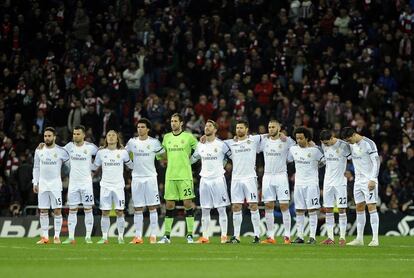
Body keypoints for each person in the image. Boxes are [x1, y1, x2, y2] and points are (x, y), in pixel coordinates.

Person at [157, 113, 198, 244]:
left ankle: (190, 234)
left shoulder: (188, 137)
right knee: (169, 205)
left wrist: (189, 161)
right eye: (171, 121)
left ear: (181, 123)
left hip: (185, 175)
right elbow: (162, 155)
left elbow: (199, 151)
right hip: (170, 176)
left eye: (175, 121)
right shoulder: (166, 137)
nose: (173, 123)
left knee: (187, 203)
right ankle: (167, 236)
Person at [190, 120, 231, 244]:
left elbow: (231, 156)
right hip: (204, 179)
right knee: (205, 209)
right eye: (206, 126)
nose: (207, 128)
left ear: (215, 130)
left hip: (218, 178)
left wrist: (223, 166)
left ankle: (224, 236)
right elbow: (193, 159)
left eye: (210, 126)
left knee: (221, 208)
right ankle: (205, 237)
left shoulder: (221, 144)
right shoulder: (200, 144)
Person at [126, 118, 165, 244]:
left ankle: (153, 235)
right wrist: (131, 165)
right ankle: (138, 236)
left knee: (152, 207)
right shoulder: (132, 142)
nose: (140, 129)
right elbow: (123, 154)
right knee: (138, 208)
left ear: (148, 129)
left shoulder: (154, 142)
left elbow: (164, 156)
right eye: (138, 127)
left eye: (142, 127)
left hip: (150, 177)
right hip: (137, 178)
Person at [92, 130, 133, 244]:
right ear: (106, 138)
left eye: (113, 135)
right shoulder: (101, 152)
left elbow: (131, 165)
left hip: (118, 186)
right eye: (108, 135)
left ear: (117, 138)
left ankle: (120, 237)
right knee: (105, 212)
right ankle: (105, 237)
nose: (110, 137)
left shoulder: (123, 152)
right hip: (105, 185)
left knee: (119, 211)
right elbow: (94, 167)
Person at [341, 127, 380, 247]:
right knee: (359, 207)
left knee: (371, 206)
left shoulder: (369, 143)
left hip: (369, 180)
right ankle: (359, 238)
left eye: (349, 140)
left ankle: (375, 239)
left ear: (354, 135)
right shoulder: (351, 145)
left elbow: (377, 162)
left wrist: (373, 179)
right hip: (357, 180)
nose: (348, 142)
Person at [225, 120, 262, 244]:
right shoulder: (231, 143)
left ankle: (257, 235)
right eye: (237, 128)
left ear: (247, 129)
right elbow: (216, 143)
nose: (239, 130)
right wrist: (204, 137)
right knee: (236, 206)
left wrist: (283, 136)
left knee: (253, 205)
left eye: (241, 128)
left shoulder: (254, 140)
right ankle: (236, 236)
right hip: (236, 178)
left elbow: (269, 136)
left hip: (250, 178)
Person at [260, 120, 295, 244]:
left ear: (279, 128)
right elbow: (252, 142)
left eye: (273, 127)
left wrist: (285, 137)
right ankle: (271, 237)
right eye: (269, 127)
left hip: (281, 176)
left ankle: (287, 236)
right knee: (268, 206)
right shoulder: (264, 141)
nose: (270, 129)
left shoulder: (286, 141)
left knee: (284, 206)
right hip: (267, 176)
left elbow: (294, 150)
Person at [32, 127, 69, 244]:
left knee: (57, 210)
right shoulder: (39, 150)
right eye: (45, 136)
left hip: (55, 185)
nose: (47, 138)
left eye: (49, 136)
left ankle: (56, 237)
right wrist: (35, 182)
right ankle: (45, 237)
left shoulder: (61, 151)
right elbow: (36, 167)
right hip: (42, 184)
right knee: (43, 211)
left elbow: (69, 165)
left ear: (54, 137)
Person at [62, 125, 98, 244]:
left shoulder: (90, 147)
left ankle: (88, 237)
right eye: (74, 134)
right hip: (73, 184)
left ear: (83, 135)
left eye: (78, 134)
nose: (75, 136)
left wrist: (94, 168)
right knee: (72, 210)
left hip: (86, 183)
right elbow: (57, 151)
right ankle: (71, 237)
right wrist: (44, 146)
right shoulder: (69, 146)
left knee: (88, 209)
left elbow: (103, 154)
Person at [289, 127, 325, 244]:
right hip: (298, 184)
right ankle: (300, 236)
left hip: (311, 184)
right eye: (297, 138)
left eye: (301, 138)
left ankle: (312, 237)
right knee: (299, 210)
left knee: (312, 210)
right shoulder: (293, 149)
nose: (298, 140)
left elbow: (324, 162)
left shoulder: (315, 150)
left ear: (307, 138)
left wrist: (315, 166)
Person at [320, 129, 351, 246]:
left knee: (342, 209)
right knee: (328, 209)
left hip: (340, 183)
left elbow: (353, 158)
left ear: (332, 138)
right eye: (323, 143)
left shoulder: (344, 146)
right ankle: (330, 237)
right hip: (327, 182)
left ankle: (342, 237)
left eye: (327, 143)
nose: (325, 145)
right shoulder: (323, 145)